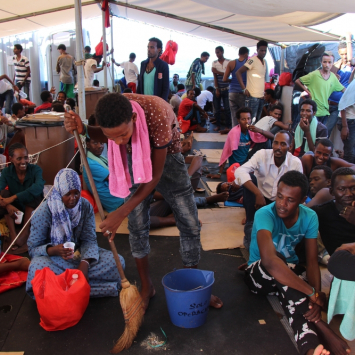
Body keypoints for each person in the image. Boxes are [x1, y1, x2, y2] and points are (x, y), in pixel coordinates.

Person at [64, 93, 223, 310]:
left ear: (134, 118)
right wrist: (82, 129)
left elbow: (154, 177)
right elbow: (101, 134)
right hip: (133, 157)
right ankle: (147, 287)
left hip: (168, 158)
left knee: (189, 223)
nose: (119, 141)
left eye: (123, 134)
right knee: (137, 226)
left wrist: (120, 212)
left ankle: (194, 285)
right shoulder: (112, 114)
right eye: (114, 138)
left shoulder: (156, 115)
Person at [245, 171, 350, 355]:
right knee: (277, 261)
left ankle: (310, 348)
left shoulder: (310, 217)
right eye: (279, 196)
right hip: (260, 274)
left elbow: (311, 261)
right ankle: (322, 326)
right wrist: (311, 292)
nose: (282, 204)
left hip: (291, 273)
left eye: (290, 200)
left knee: (294, 301)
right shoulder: (265, 214)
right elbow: (269, 261)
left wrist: (316, 298)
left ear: (302, 200)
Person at [26, 168, 125, 298]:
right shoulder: (44, 211)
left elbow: (89, 239)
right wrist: (54, 250)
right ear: (59, 192)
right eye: (68, 194)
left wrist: (85, 264)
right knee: (36, 268)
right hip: (54, 261)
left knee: (118, 262)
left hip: (79, 256)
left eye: (76, 193)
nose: (73, 198)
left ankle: (62, 289)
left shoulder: (85, 206)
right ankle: (94, 288)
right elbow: (33, 249)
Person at [234, 131, 303, 249]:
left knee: (276, 237)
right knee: (249, 179)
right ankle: (251, 223)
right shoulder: (262, 155)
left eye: (283, 144)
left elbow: (298, 190)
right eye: (275, 143)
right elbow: (240, 171)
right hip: (258, 200)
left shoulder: (295, 163)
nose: (278, 147)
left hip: (279, 202)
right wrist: (257, 193)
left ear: (290, 146)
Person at [0, 143, 45, 254]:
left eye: (25, 157)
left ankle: (24, 234)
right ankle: (13, 235)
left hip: (32, 208)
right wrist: (8, 204)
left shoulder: (35, 169)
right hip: (16, 208)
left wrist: (13, 198)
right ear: (11, 159)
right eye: (19, 158)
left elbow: (39, 187)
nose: (23, 161)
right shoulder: (7, 172)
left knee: (34, 193)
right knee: (4, 194)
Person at [207, 107, 268, 179]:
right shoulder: (234, 133)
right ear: (238, 120)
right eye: (243, 119)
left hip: (247, 161)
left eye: (248, 119)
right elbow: (226, 153)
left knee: (267, 141)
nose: (247, 122)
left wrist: (259, 130)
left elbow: (271, 137)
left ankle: (266, 168)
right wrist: (219, 173)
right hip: (236, 166)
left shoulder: (251, 131)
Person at [312, 167, 355, 257]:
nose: (349, 194)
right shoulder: (321, 212)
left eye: (353, 188)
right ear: (332, 191)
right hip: (340, 265)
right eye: (342, 189)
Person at [295, 53, 345, 125]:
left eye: (329, 62)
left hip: (324, 112)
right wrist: (308, 92)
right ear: (321, 62)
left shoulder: (333, 77)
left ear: (333, 63)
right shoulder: (314, 74)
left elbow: (343, 89)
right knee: (311, 133)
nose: (327, 65)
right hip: (313, 112)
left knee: (321, 134)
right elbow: (298, 81)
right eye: (324, 62)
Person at [83, 136, 124, 213]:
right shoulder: (90, 164)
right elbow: (114, 179)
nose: (99, 146)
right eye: (95, 143)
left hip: (116, 194)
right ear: (88, 145)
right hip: (114, 200)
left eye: (101, 143)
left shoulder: (99, 158)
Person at [236, 40, 268, 122]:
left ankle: (253, 135)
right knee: (250, 121)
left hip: (261, 96)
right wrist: (244, 89)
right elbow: (238, 72)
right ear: (257, 50)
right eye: (261, 50)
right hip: (252, 96)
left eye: (265, 50)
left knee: (256, 121)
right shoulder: (252, 60)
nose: (263, 52)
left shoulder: (264, 62)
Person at [326, 43, 354, 135]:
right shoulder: (335, 66)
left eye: (346, 53)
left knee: (327, 130)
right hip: (327, 103)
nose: (344, 56)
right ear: (338, 53)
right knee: (319, 129)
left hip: (339, 107)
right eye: (342, 54)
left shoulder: (353, 67)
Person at [224, 46, 249, 127]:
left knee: (234, 116)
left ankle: (234, 134)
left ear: (239, 53)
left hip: (232, 92)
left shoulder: (231, 63)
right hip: (243, 92)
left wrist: (232, 80)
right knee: (244, 116)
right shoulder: (248, 62)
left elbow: (224, 79)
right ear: (246, 54)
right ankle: (242, 134)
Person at [212, 46, 231, 133]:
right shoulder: (214, 62)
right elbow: (215, 76)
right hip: (218, 88)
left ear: (222, 52)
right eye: (216, 52)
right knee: (217, 109)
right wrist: (216, 89)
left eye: (218, 52)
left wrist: (217, 72)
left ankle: (227, 126)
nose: (217, 54)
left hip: (227, 88)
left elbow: (228, 74)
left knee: (227, 108)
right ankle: (218, 125)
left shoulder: (229, 62)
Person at [338, 75, 355, 163]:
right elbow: (342, 105)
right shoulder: (354, 85)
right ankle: (346, 175)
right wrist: (345, 127)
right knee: (350, 153)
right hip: (349, 121)